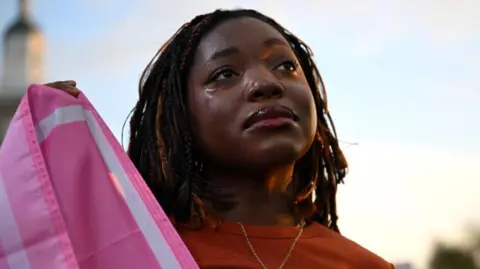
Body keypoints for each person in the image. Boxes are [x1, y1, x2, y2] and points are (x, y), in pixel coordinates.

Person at [45, 9, 394, 269]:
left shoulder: (365, 266)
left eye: (286, 66)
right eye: (224, 74)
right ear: (180, 116)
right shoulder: (136, 255)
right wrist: (25, 166)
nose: (265, 84)